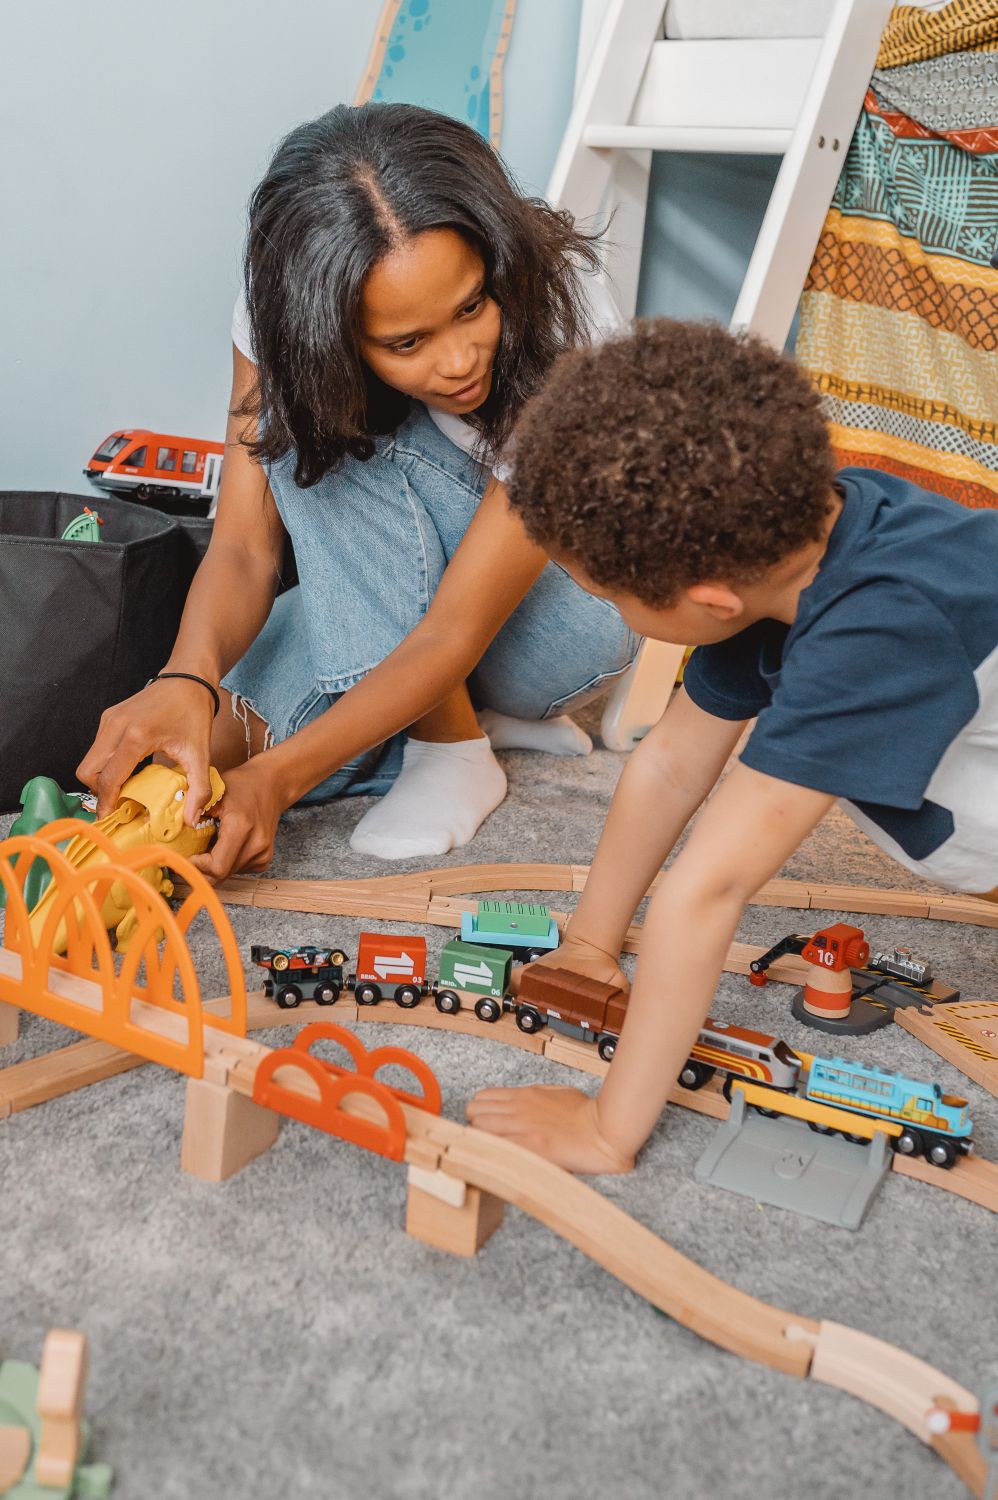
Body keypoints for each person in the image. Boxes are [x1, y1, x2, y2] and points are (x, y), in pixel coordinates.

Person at [467, 318, 998, 1175]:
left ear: (706, 597)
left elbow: (707, 890)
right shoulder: (786, 545)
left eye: (604, 594)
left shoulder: (874, 633)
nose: (609, 611)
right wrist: (592, 944)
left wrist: (609, 1130)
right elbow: (672, 764)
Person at [77, 103, 637, 874]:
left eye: (473, 306)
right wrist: (188, 678)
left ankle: (453, 748)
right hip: (423, 603)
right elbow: (242, 548)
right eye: (407, 342)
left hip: (565, 626)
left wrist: (276, 780)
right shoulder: (288, 308)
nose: (460, 360)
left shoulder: (569, 312)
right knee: (233, 718)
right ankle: (463, 722)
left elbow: (451, 633)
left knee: (319, 442)